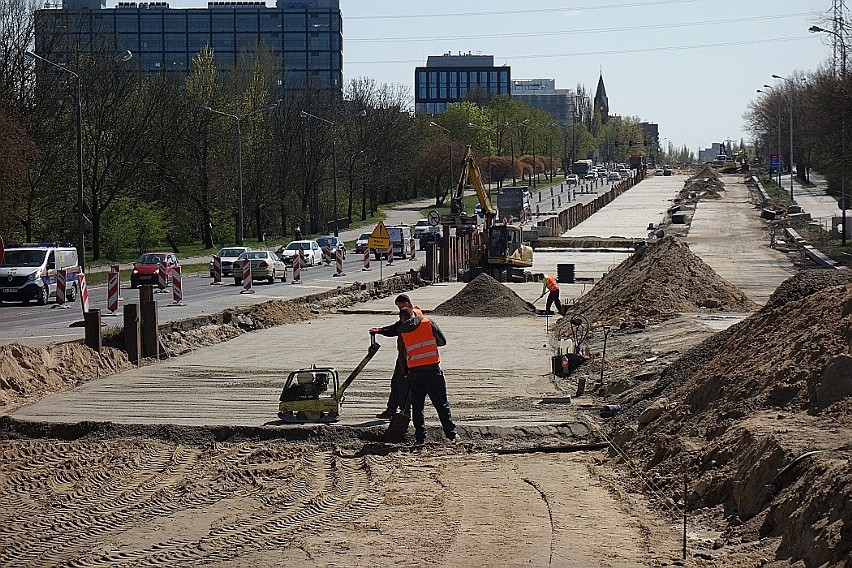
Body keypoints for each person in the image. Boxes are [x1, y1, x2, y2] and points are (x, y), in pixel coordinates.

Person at [373, 307, 459, 445]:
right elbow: (442, 341)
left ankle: (420, 438)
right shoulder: (428, 322)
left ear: (401, 318)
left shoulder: (401, 332)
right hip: (432, 371)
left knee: (417, 408)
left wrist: (406, 373)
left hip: (414, 373)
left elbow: (402, 356)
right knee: (441, 404)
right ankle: (452, 435)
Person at [372, 294, 422, 420]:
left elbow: (397, 329)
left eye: (400, 307)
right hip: (405, 356)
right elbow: (397, 328)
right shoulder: (413, 314)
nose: (399, 311)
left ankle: (405, 412)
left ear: (405, 303)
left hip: (408, 357)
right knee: (396, 383)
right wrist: (381, 330)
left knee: (404, 385)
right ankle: (392, 410)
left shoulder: (411, 316)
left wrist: (381, 331)